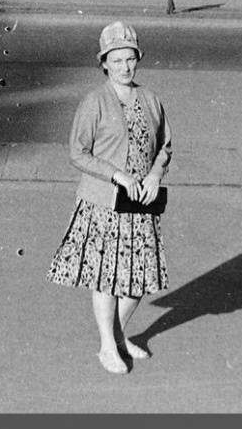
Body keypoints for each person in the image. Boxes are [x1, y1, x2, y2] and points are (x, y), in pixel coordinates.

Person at [46, 22, 173, 375]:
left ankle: (118, 336)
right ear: (104, 63)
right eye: (116, 60)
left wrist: (154, 174)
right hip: (104, 203)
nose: (124, 67)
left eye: (130, 59)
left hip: (140, 205)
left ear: (138, 60)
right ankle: (106, 345)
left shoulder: (150, 99)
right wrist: (116, 174)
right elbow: (77, 152)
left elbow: (164, 145)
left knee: (138, 279)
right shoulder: (94, 102)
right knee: (107, 277)